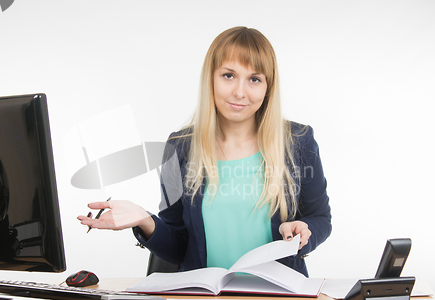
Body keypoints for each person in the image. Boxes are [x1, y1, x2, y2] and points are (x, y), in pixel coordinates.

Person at [77, 26, 331, 277]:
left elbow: (321, 218)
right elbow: (178, 247)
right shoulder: (180, 147)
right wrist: (144, 220)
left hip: (280, 297)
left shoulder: (298, 141)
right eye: (228, 75)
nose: (239, 92)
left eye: (254, 79)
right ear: (210, 77)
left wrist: (303, 231)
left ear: (268, 87)